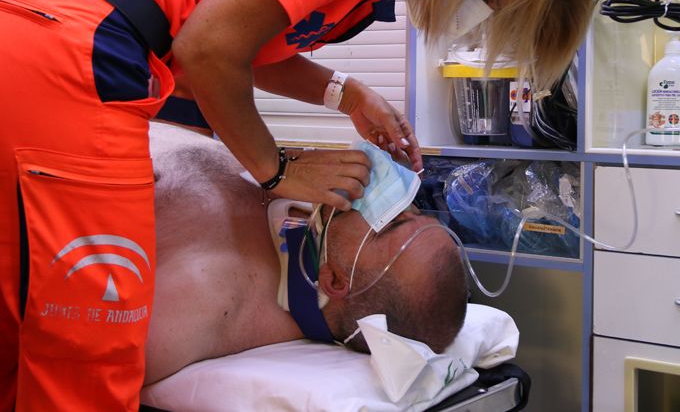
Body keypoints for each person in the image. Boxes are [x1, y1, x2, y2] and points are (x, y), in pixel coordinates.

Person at [0, 0, 597, 410]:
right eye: (492, 0)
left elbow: (246, 40)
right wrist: (277, 168)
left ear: (337, 282)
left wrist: (345, 94)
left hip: (50, 25)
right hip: (71, 34)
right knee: (89, 357)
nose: (477, 18)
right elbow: (208, 48)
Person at [143, 122, 467, 385]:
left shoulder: (200, 305)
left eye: (392, 222)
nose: (398, 201)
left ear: (336, 280)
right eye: (415, 212)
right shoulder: (298, 196)